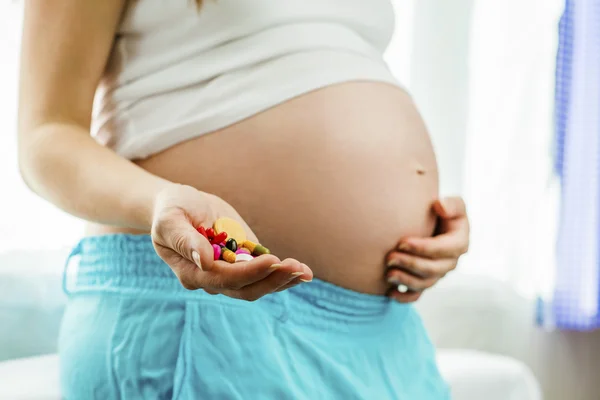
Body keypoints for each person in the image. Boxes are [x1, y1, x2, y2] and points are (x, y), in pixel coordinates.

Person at [17, 0, 470, 398]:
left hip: (383, 330)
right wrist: (158, 201)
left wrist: (423, 221)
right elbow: (46, 136)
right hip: (203, 311)